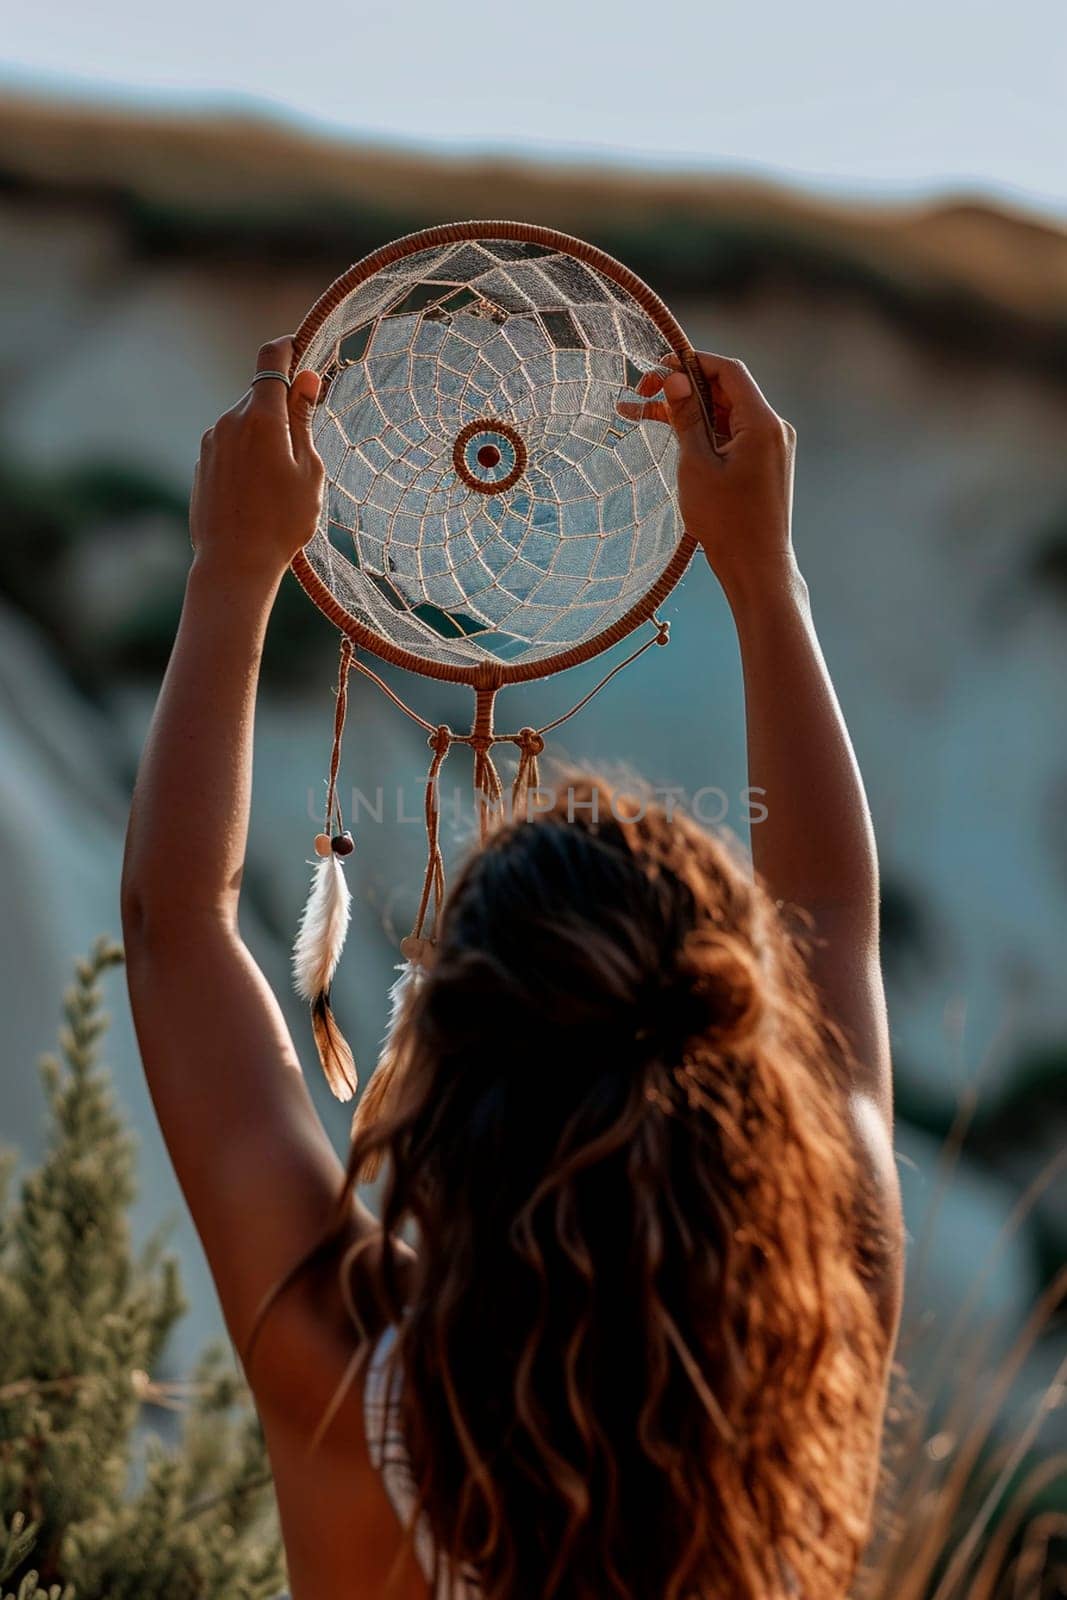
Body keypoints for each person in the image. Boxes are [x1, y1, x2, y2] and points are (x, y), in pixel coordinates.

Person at [121, 335, 904, 1600]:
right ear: (754, 1077)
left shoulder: (359, 1379)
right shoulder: (809, 1357)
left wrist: (230, 570)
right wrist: (766, 578)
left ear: (445, 1070)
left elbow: (172, 928)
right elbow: (828, 913)